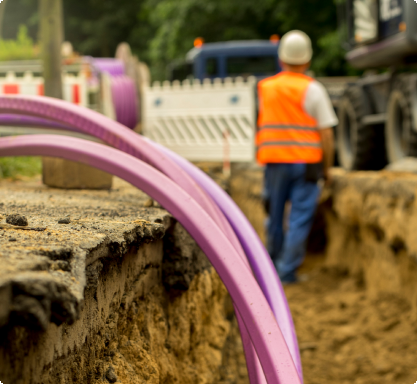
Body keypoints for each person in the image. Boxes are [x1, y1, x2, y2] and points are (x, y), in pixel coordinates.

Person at [256, 30, 337, 283]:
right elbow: (326, 134)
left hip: (275, 162)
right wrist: (328, 169)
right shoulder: (313, 90)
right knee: (299, 218)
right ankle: (286, 272)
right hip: (307, 164)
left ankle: (271, 269)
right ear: (308, 60)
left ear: (281, 59)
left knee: (275, 217)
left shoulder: (266, 88)